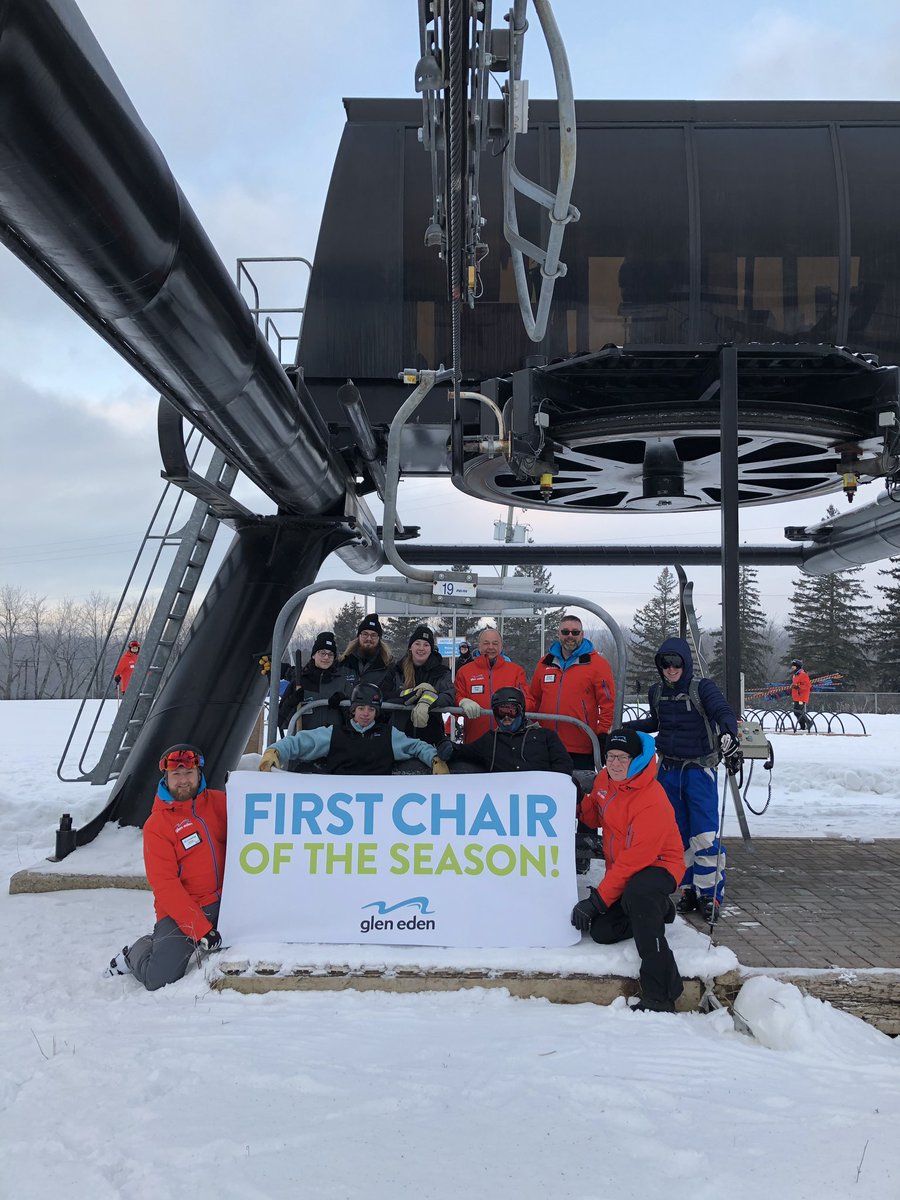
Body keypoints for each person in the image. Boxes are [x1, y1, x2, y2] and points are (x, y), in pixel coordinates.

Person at [626, 637, 741, 924]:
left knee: (703, 834)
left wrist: (728, 733)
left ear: (685, 662)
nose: (671, 668)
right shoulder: (657, 692)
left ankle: (710, 892)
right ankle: (688, 888)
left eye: (676, 662)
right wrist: (622, 727)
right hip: (668, 772)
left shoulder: (702, 688)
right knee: (675, 835)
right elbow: (656, 723)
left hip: (698, 770)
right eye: (665, 663)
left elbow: (722, 712)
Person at [571, 728, 685, 1014]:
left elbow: (635, 860)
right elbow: (595, 813)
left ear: (636, 759)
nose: (615, 763)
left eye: (623, 757)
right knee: (601, 931)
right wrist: (576, 801)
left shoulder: (651, 799)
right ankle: (659, 910)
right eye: (610, 756)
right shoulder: (605, 780)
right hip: (627, 872)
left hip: (658, 866)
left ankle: (661, 994)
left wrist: (597, 901)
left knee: (639, 892)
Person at [106, 744, 226, 990]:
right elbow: (165, 887)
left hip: (227, 900)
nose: (183, 781)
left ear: (199, 774)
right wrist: (201, 929)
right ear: (166, 778)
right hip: (186, 910)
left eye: (189, 773)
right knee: (159, 979)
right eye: (176, 775)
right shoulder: (157, 825)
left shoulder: (219, 802)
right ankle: (135, 952)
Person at [259, 682, 452, 775]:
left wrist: (434, 759)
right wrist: (275, 751)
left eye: (370, 709)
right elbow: (301, 742)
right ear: (352, 711)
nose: (365, 714)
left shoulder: (388, 735)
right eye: (361, 708)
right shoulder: (334, 734)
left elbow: (416, 746)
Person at [529, 615, 615, 768]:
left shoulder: (597, 664)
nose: (570, 636)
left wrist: (602, 734)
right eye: (565, 632)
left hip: (581, 747)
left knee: (577, 789)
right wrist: (528, 724)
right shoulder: (544, 663)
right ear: (558, 634)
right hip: (546, 744)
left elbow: (607, 704)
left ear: (582, 634)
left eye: (575, 632)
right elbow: (534, 698)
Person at [452, 686, 574, 775]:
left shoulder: (545, 736)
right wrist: (446, 747)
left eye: (511, 711)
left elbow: (563, 765)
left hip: (537, 797)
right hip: (505, 800)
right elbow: (463, 752)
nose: (506, 718)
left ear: (521, 711)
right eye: (501, 713)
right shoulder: (491, 740)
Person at [456, 627, 532, 743]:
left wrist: (513, 708)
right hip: (476, 741)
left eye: (495, 643)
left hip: (508, 742)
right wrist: (462, 701)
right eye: (486, 643)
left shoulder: (515, 671)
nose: (490, 647)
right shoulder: (465, 671)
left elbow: (529, 703)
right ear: (479, 645)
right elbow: (455, 700)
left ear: (501, 646)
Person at [382, 625, 455, 746]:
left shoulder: (441, 672)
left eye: (426, 645)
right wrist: (409, 694)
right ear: (410, 647)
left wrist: (429, 702)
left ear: (431, 649)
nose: (421, 648)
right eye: (417, 643)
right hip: (399, 732)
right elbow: (383, 694)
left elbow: (449, 694)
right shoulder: (396, 669)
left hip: (431, 732)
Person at [278, 631, 348, 734]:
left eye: (330, 654)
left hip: (333, 745)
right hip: (304, 745)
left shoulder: (342, 683)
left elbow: (354, 720)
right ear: (314, 655)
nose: (326, 657)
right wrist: (292, 701)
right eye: (322, 653)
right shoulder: (300, 681)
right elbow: (280, 721)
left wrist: (344, 703)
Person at [340, 613, 394, 691]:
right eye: (365, 634)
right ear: (359, 636)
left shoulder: (388, 666)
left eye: (373, 635)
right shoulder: (344, 663)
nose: (369, 638)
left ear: (379, 639)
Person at [790, 658, 812, 732]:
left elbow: (807, 685)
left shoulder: (803, 674)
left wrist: (798, 687)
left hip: (801, 696)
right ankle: (803, 726)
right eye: (792, 666)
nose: (792, 667)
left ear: (798, 666)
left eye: (794, 666)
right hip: (797, 696)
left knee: (797, 712)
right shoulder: (795, 675)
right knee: (797, 712)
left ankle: (809, 722)